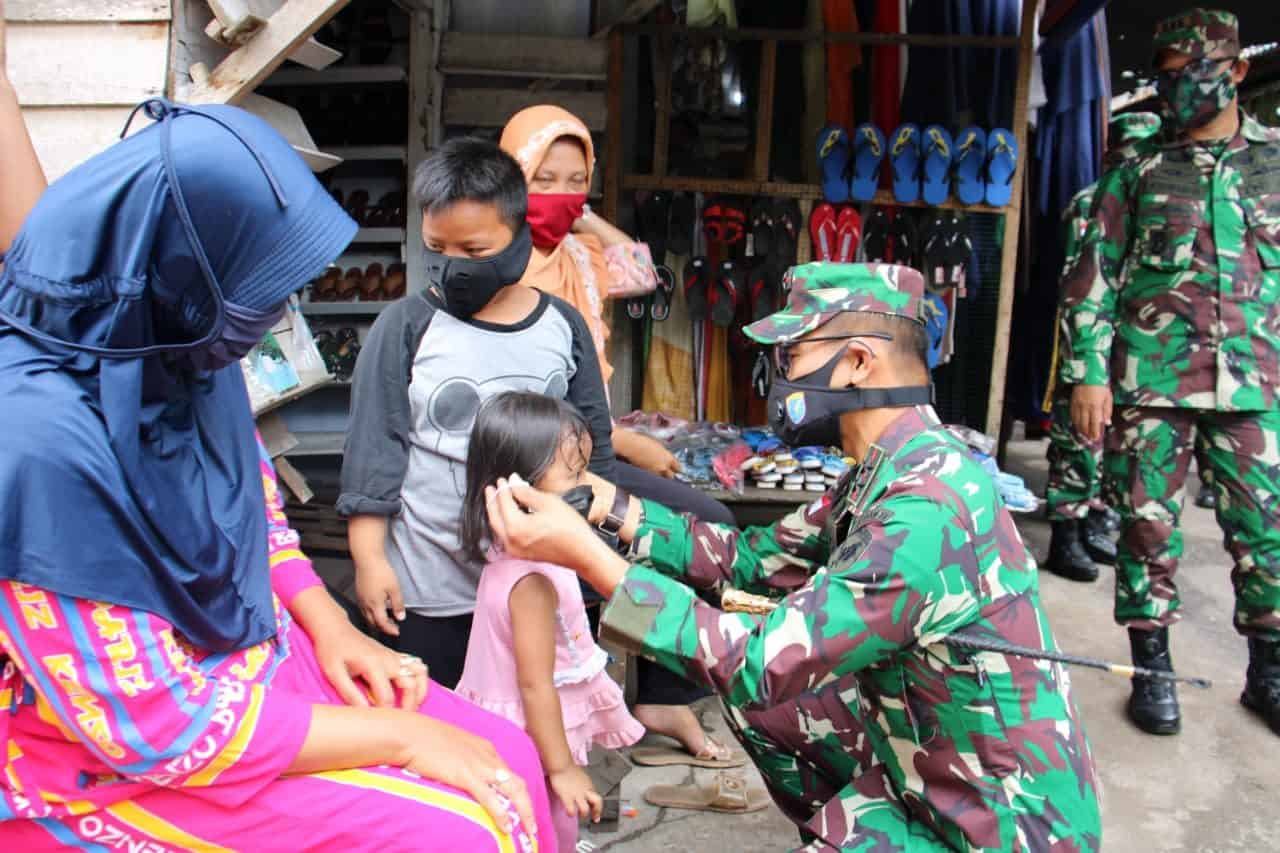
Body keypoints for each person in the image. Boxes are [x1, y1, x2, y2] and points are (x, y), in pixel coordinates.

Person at [0, 96, 553, 851]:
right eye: (264, 291)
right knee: (463, 829)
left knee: (511, 760)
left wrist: (329, 626)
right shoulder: (36, 447)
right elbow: (154, 726)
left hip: (247, 656)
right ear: (180, 275)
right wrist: (396, 737)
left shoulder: (178, 348)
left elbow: (256, 514)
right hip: (103, 754)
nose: (280, 315)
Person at [486, 262, 1102, 851]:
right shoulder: (891, 467)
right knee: (769, 705)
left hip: (1000, 820)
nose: (779, 377)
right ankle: (855, 822)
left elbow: (758, 663)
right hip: (931, 753)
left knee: (758, 674)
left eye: (792, 356)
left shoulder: (926, 510)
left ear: (857, 362)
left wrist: (589, 558)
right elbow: (751, 562)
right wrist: (613, 506)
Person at [501, 105, 743, 768]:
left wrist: (579, 213)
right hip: (531, 460)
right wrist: (623, 448)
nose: (559, 191)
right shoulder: (496, 263)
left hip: (593, 452)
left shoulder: (578, 255)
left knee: (706, 523)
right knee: (621, 537)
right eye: (542, 177)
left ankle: (663, 694)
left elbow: (640, 275)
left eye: (576, 178)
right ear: (511, 175)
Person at [1064, 7, 1280, 737]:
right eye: (1168, 75)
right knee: (1148, 528)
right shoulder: (1140, 173)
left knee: (1268, 532)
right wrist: (1087, 375)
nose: (1178, 87)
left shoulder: (1275, 164)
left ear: (1236, 70)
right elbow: (1093, 281)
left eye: (1193, 72)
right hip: (1153, 382)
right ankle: (1152, 668)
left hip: (1256, 384)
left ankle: (1269, 672)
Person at [338, 137, 617, 690]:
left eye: (475, 250)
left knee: (533, 712)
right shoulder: (404, 327)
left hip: (536, 579)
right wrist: (370, 561)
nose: (453, 267)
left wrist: (595, 555)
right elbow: (374, 453)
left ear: (519, 237)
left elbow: (594, 449)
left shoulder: (562, 327)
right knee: (435, 720)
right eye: (437, 248)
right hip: (428, 583)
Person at [457, 392, 645, 853]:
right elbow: (535, 686)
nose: (588, 487)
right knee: (553, 823)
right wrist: (561, 768)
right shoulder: (533, 583)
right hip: (532, 737)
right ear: (520, 486)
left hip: (522, 725)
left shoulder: (511, 555)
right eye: (574, 475)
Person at [1042, 112, 1163, 582]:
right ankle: (1065, 537)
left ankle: (1094, 519)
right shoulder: (1094, 203)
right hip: (1086, 342)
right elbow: (1082, 283)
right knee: (1077, 440)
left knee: (1109, 440)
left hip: (1131, 346)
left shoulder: (1137, 197)